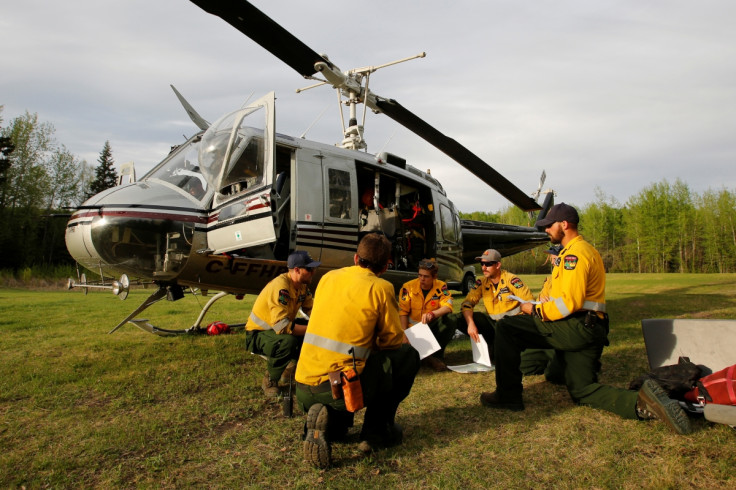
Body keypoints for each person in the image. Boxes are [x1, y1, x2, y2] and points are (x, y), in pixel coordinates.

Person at [482, 203, 692, 435]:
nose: (546, 231)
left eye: (549, 226)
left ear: (564, 224)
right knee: (582, 389)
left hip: (576, 327)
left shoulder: (574, 255)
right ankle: (641, 403)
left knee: (507, 327)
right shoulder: (581, 251)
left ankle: (508, 396)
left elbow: (568, 303)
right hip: (589, 329)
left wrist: (534, 311)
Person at [295, 233, 420, 468]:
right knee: (405, 357)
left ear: (355, 258)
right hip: (342, 388)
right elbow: (393, 341)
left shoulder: (327, 278)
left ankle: (327, 425)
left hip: (304, 384)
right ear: (385, 267)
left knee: (340, 426)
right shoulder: (381, 287)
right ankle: (376, 433)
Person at [245, 250, 320, 397]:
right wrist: (314, 329)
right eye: (310, 269)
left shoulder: (302, 286)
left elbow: (312, 309)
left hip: (275, 330)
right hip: (258, 334)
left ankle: (290, 372)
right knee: (289, 342)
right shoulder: (281, 287)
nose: (313, 272)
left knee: (309, 334)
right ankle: (270, 380)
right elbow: (282, 327)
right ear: (297, 270)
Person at [447, 249, 534, 364]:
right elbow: (467, 303)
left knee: (504, 359)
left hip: (511, 326)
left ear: (498, 265)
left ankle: (502, 346)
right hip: (493, 325)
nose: (483, 267)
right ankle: (490, 343)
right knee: (461, 318)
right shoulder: (481, 282)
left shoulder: (512, 280)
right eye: (482, 264)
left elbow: (529, 302)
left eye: (488, 264)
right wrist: (471, 324)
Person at [398, 258, 455, 371]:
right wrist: (404, 334)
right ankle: (429, 358)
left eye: (426, 276)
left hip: (430, 327)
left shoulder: (441, 286)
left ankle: (435, 356)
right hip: (412, 330)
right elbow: (403, 312)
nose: (422, 279)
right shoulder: (408, 287)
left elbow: (448, 306)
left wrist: (433, 314)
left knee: (451, 319)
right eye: (420, 275)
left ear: (434, 277)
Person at [519, 244, 561, 377]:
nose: (552, 260)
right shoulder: (549, 279)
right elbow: (541, 299)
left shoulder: (568, 278)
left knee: (554, 375)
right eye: (551, 256)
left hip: (559, 331)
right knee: (523, 366)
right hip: (544, 328)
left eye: (555, 257)